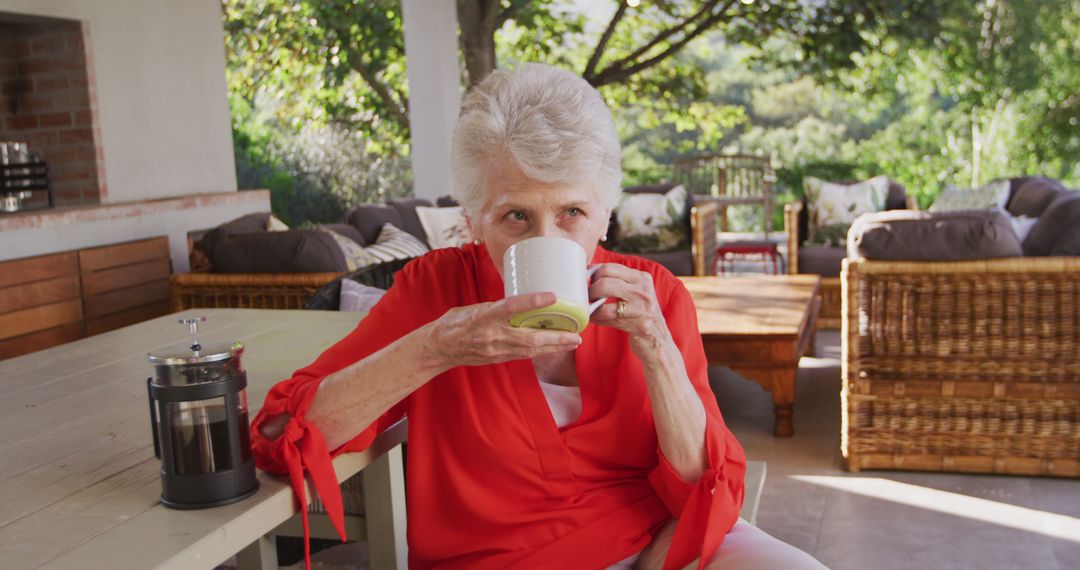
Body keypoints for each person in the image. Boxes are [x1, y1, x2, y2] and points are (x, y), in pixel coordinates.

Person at [252, 63, 824, 570]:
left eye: (572, 211)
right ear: (473, 222)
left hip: (665, 542)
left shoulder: (656, 296)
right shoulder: (435, 291)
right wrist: (434, 348)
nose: (548, 239)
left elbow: (705, 483)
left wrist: (656, 347)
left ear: (605, 216)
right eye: (516, 216)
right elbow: (287, 435)